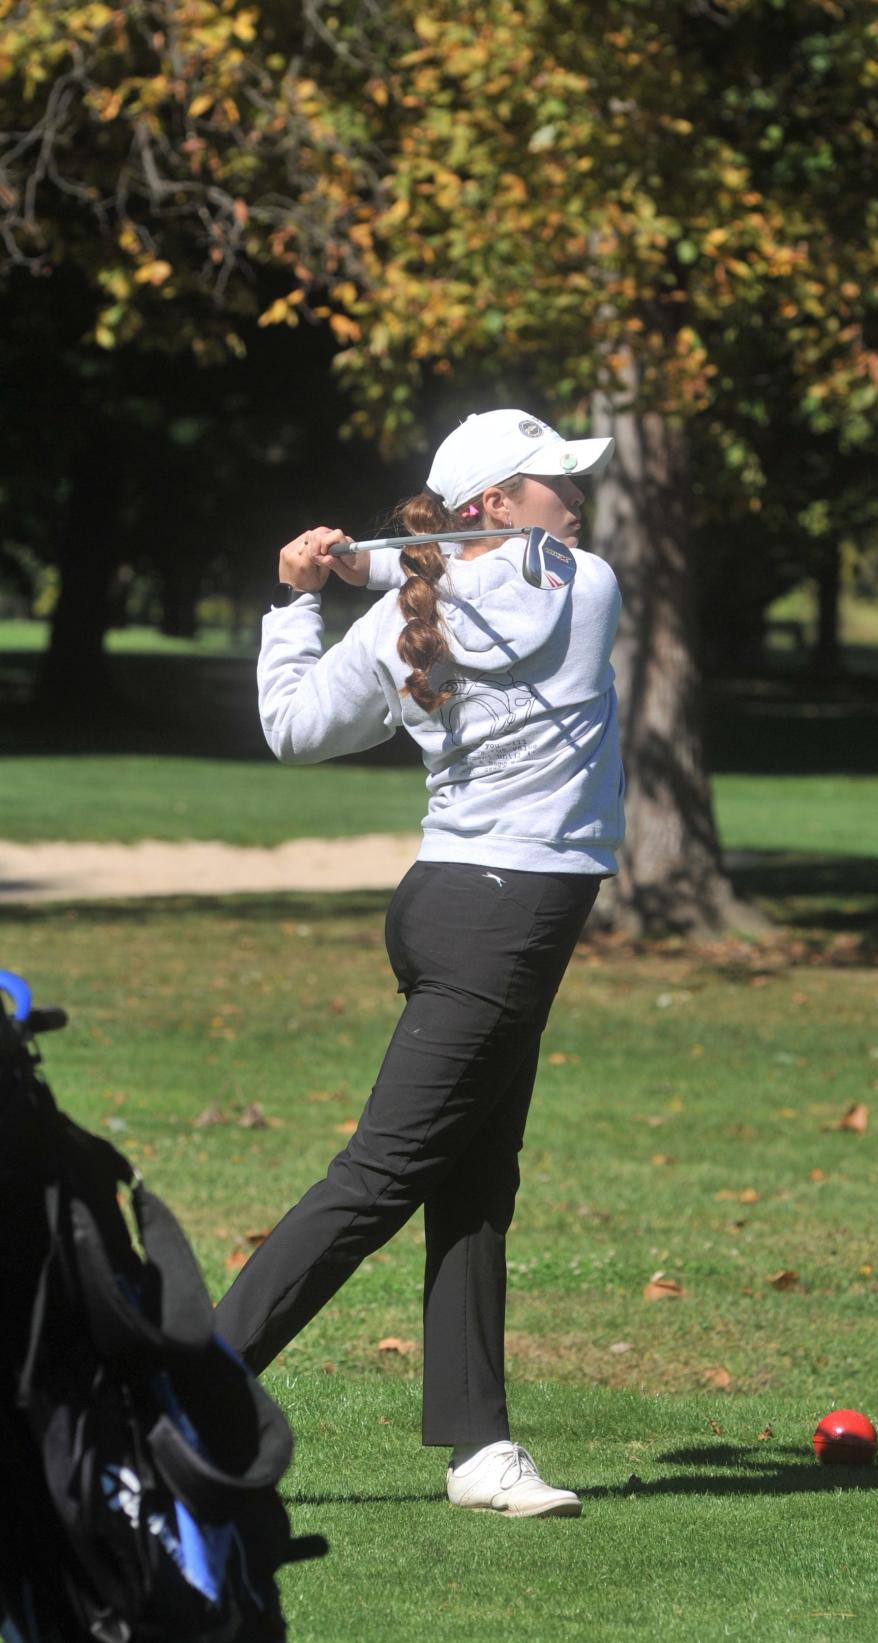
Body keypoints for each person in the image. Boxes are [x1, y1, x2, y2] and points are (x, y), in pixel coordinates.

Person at [214, 408, 624, 1518]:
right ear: (497, 503)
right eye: (551, 482)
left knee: (476, 1180)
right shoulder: (579, 588)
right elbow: (541, 571)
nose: (575, 500)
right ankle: (178, 1394)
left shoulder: (407, 612)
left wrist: (306, 593)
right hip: (503, 918)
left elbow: (292, 720)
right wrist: (368, 573)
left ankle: (480, 1445)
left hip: (455, 904)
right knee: (381, 1176)